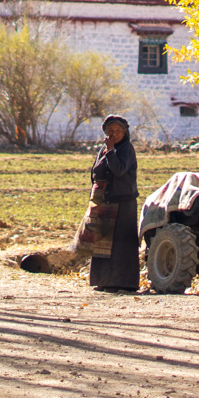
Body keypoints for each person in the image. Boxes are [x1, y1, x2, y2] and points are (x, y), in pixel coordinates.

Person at [83, 114, 140, 292]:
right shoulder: (105, 149)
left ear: (125, 133)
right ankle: (103, 281)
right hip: (106, 202)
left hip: (123, 203)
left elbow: (119, 170)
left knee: (121, 244)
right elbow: (95, 171)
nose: (114, 134)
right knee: (103, 244)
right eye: (110, 131)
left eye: (118, 131)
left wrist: (111, 151)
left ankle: (124, 283)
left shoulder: (126, 149)